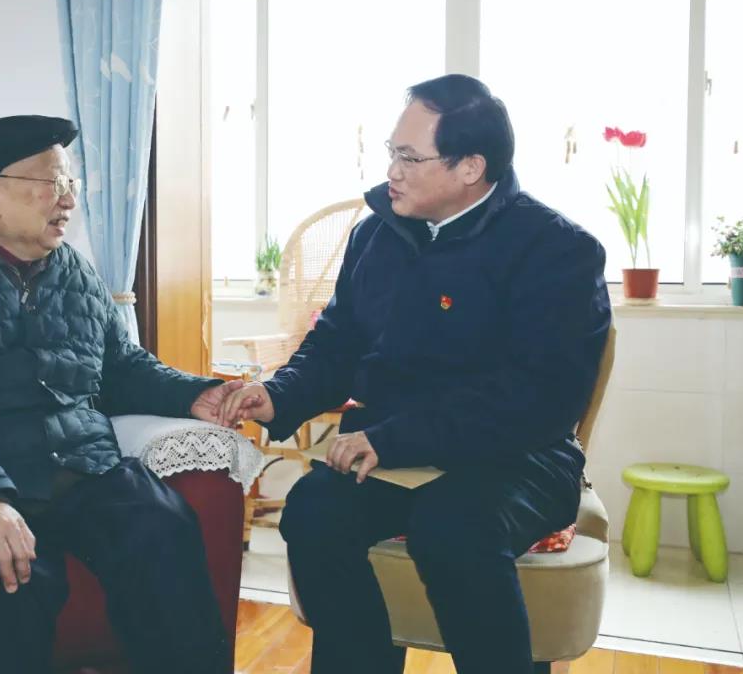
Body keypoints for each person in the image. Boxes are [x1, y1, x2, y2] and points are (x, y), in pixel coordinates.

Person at [220, 74, 612, 674]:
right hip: (392, 447)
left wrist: (392, 438)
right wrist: (278, 395)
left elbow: (537, 398)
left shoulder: (555, 249)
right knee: (314, 511)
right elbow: (337, 342)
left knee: (453, 528)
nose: (391, 172)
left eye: (409, 157)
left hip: (517, 457)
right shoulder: (376, 234)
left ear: (471, 167)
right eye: (391, 152)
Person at [0, 115, 241, 673]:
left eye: (71, 183)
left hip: (81, 469)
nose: (69, 199)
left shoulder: (75, 270)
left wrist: (194, 395)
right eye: (53, 182)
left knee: (163, 528)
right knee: (4, 582)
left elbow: (119, 368)